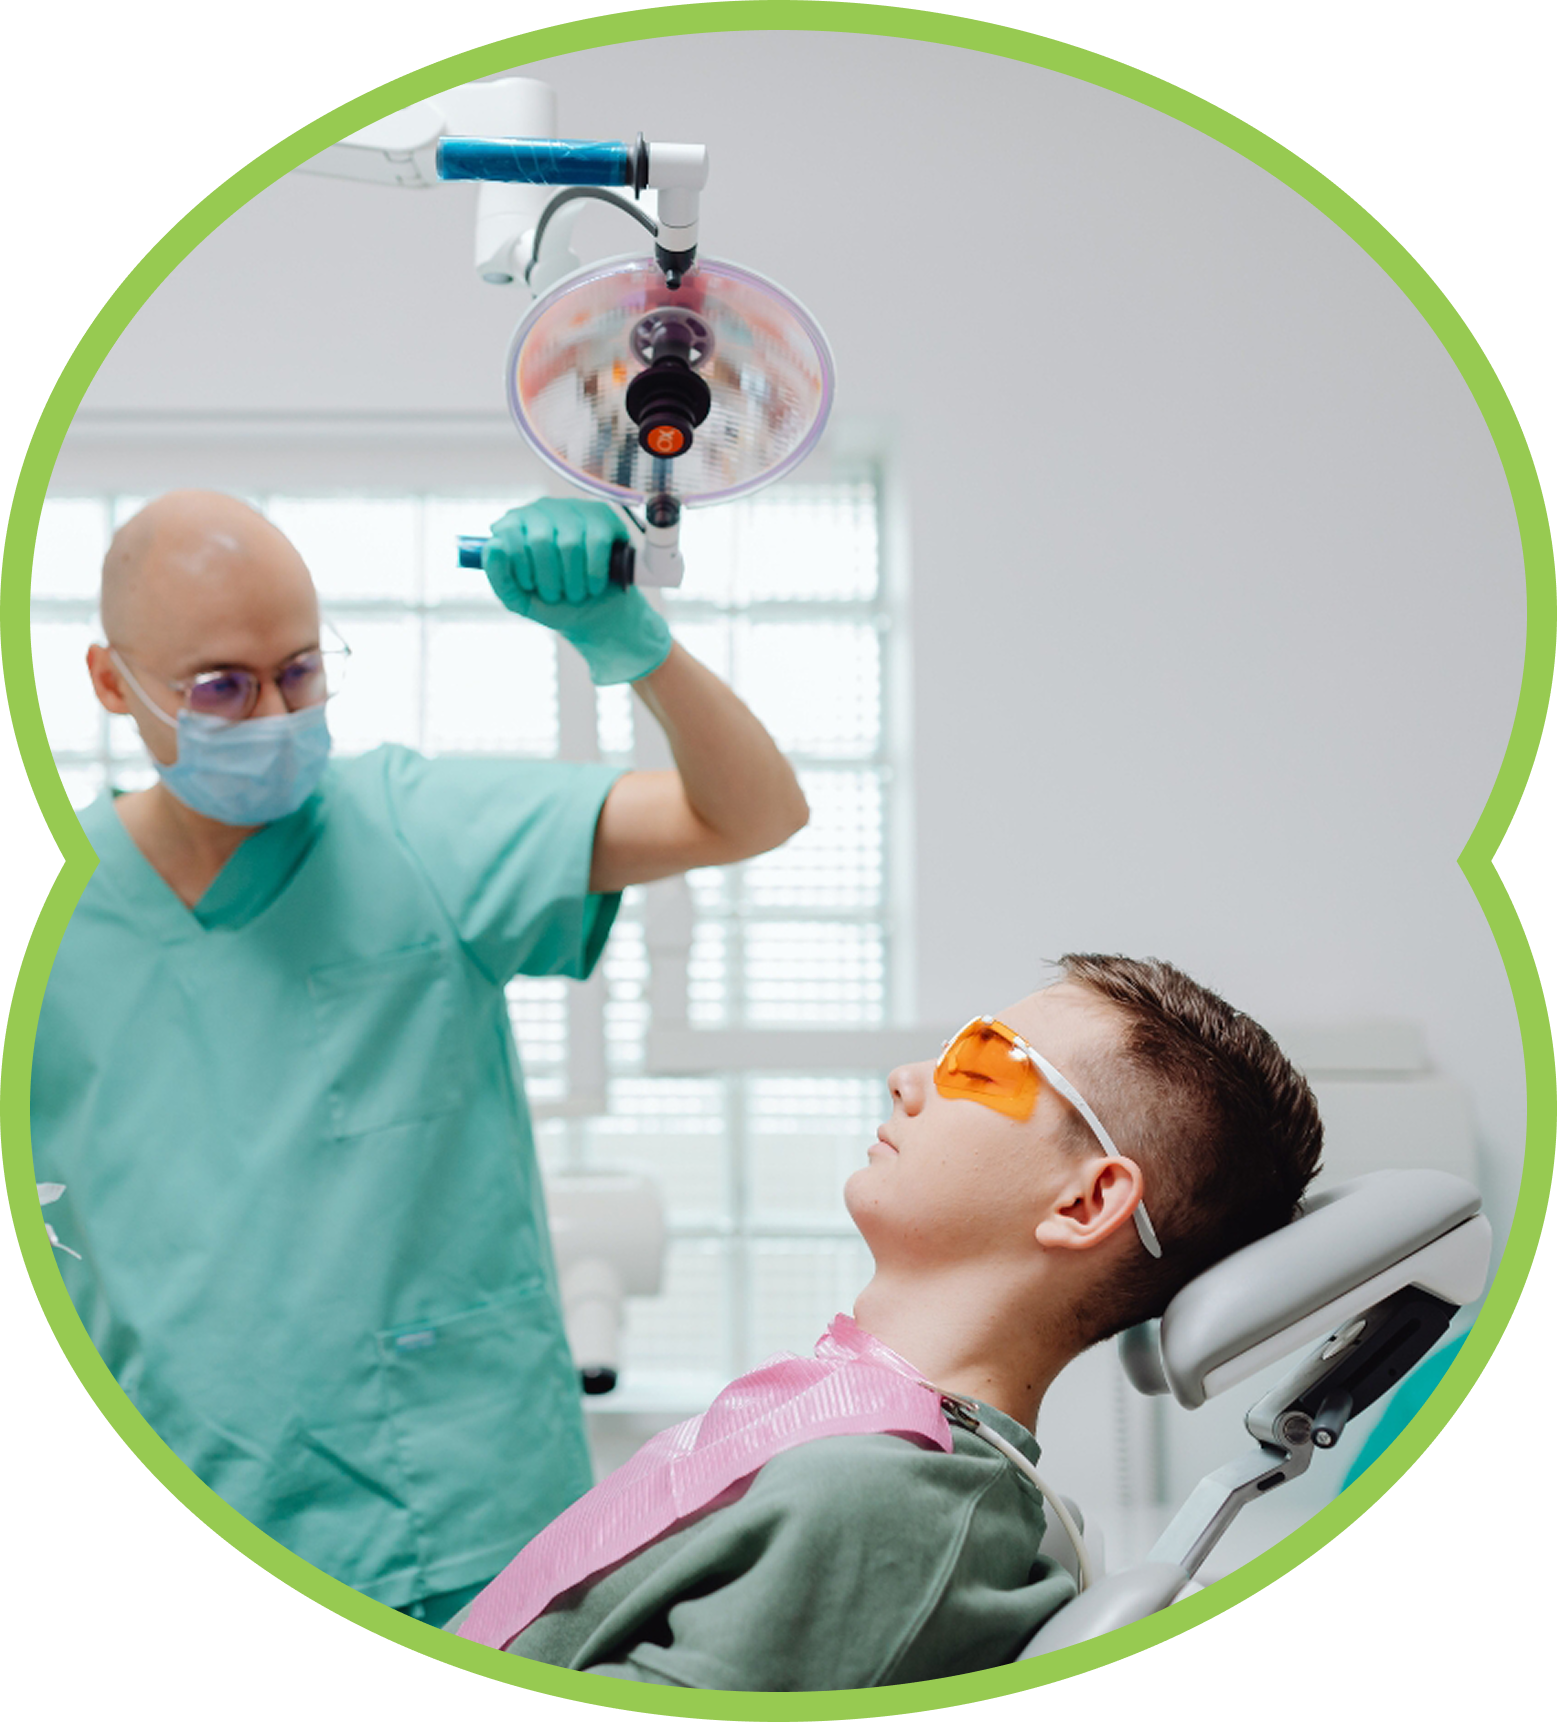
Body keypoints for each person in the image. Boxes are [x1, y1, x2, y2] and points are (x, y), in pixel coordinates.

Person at [29, 488, 808, 1626]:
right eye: (222, 687)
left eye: (300, 671)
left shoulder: (416, 826)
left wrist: (629, 645)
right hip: (201, 1474)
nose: (274, 714)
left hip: (460, 1517)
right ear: (112, 682)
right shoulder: (69, 910)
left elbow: (752, 815)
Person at [446, 954, 1325, 1689]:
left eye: (981, 1062)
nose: (908, 1080)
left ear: (1087, 1200)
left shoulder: (893, 1509)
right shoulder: (838, 1442)